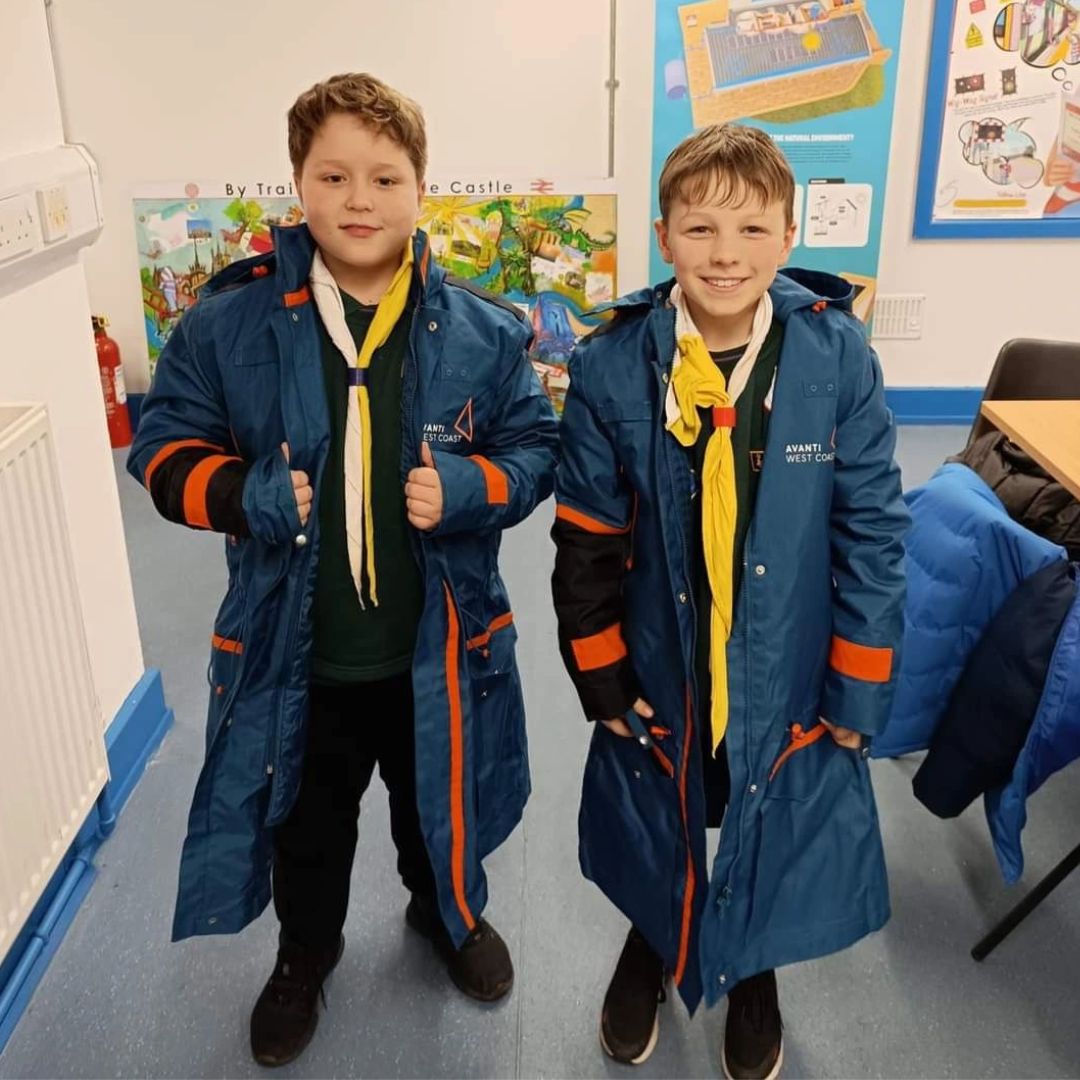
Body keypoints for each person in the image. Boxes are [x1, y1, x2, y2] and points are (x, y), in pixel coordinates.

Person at [128, 71, 558, 1068]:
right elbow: (161, 452)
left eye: (384, 176)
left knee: (434, 806)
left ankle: (446, 912)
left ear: (420, 189)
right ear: (297, 185)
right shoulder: (226, 327)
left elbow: (538, 449)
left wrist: (475, 486)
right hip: (298, 654)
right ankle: (305, 952)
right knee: (307, 828)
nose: (358, 200)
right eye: (333, 176)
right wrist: (243, 498)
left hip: (436, 649)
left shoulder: (487, 332)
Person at [551, 123, 908, 1079]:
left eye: (752, 230)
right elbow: (585, 539)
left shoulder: (837, 359)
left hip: (787, 657)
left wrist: (858, 690)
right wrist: (601, 677)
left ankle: (753, 964)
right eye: (700, 228)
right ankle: (654, 938)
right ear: (663, 235)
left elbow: (873, 533)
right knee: (658, 805)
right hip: (662, 650)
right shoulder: (611, 364)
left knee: (772, 814)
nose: (725, 255)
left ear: (790, 236)